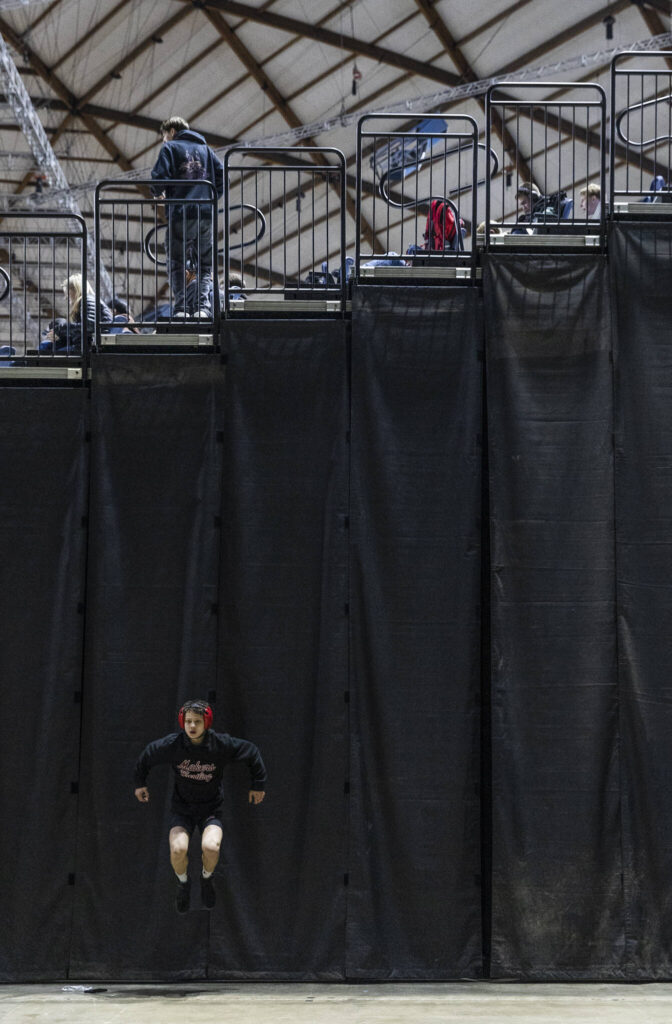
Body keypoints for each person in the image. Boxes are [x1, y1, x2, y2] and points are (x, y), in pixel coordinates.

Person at [134, 699, 266, 914]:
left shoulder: (220, 745)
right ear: (182, 723)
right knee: (178, 849)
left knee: (211, 847)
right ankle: (183, 883)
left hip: (210, 810)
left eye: (197, 721)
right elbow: (148, 755)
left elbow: (251, 751)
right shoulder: (173, 745)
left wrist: (258, 785)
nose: (192, 726)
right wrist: (140, 783)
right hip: (183, 810)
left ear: (207, 722)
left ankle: (206, 878)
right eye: (188, 722)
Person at [151, 116, 224, 320]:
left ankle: (182, 308)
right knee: (205, 264)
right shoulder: (206, 150)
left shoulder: (170, 148)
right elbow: (221, 176)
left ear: (172, 131)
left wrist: (158, 194)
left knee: (177, 261)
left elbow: (159, 176)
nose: (164, 140)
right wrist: (212, 198)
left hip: (181, 215)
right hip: (206, 215)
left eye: (165, 136)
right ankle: (202, 308)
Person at [39, 274, 112, 353]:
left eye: (67, 292)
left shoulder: (87, 300)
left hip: (90, 347)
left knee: (46, 352)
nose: (66, 297)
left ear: (75, 289)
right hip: (86, 344)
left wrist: (61, 329)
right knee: (46, 346)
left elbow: (89, 325)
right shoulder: (87, 300)